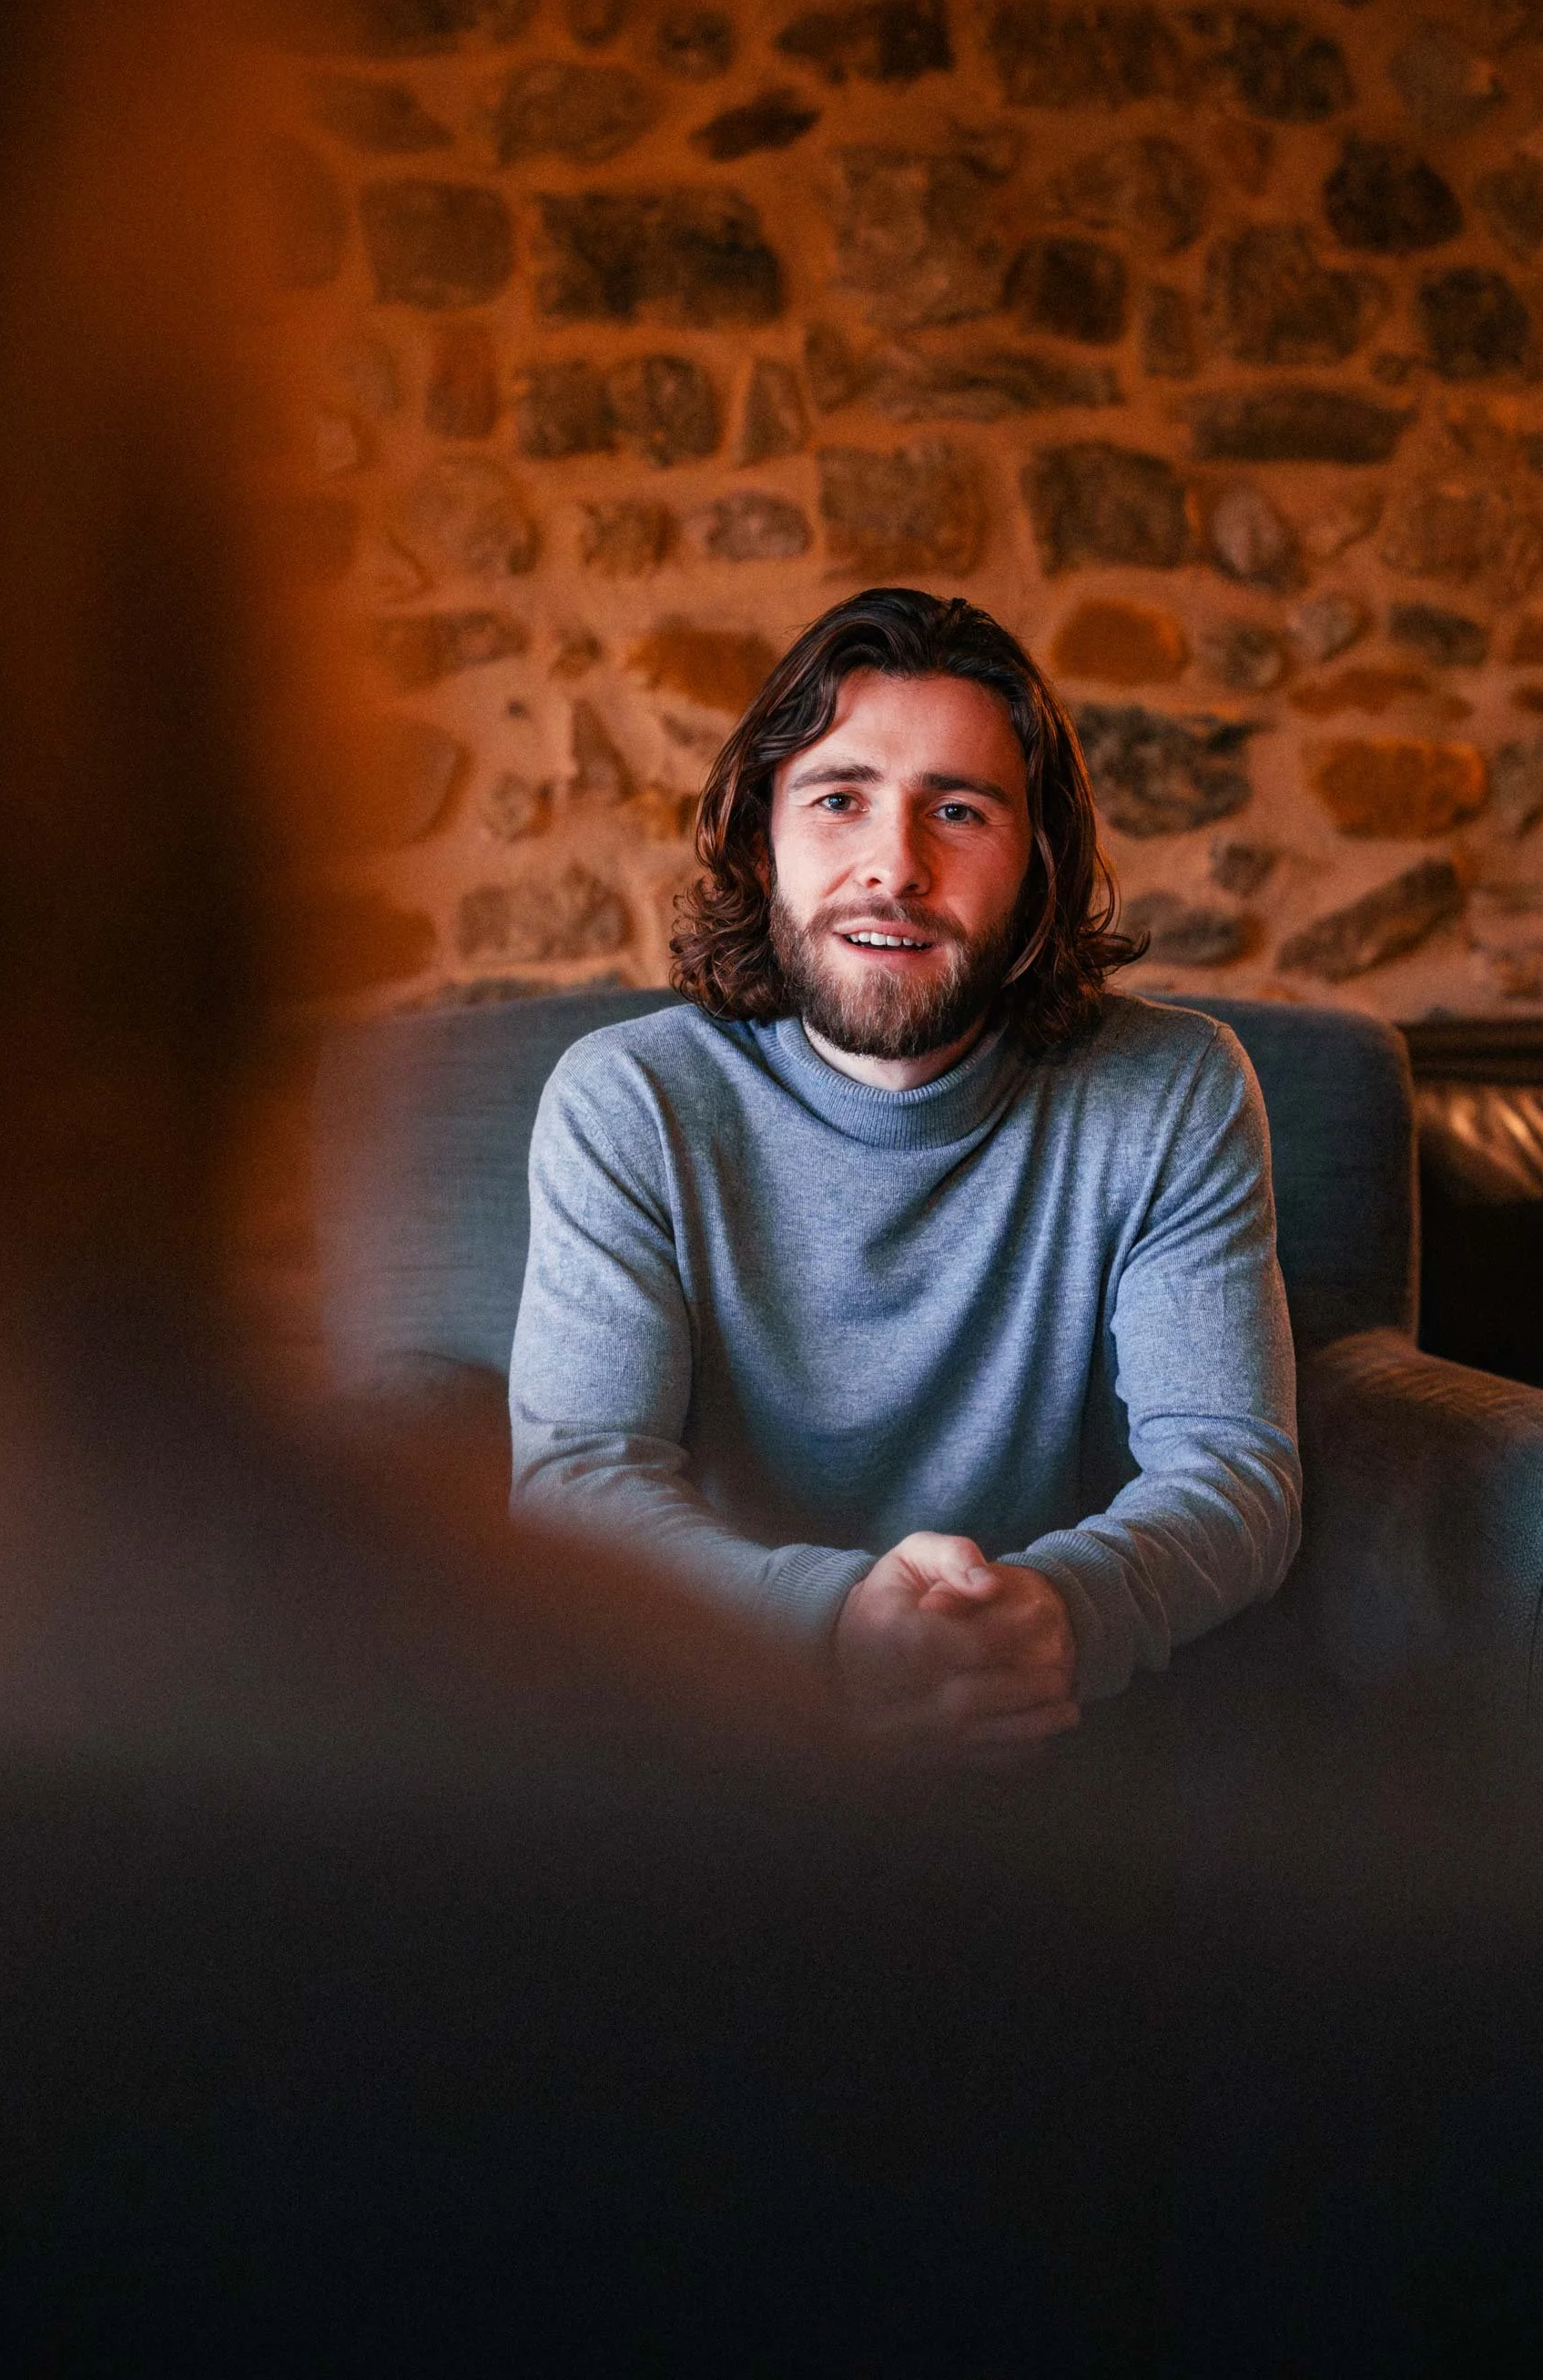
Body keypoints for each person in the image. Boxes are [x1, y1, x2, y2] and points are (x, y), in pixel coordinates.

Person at [510, 589, 1302, 1750]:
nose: (896, 867)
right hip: (718, 1720)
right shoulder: (628, 1100)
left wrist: (1057, 1614)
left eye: (961, 812)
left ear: (1036, 864)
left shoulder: (1171, 1087)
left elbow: (1233, 1471)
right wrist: (833, 1627)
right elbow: (579, 1484)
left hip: (1051, 1720)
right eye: (838, 800)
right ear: (759, 835)